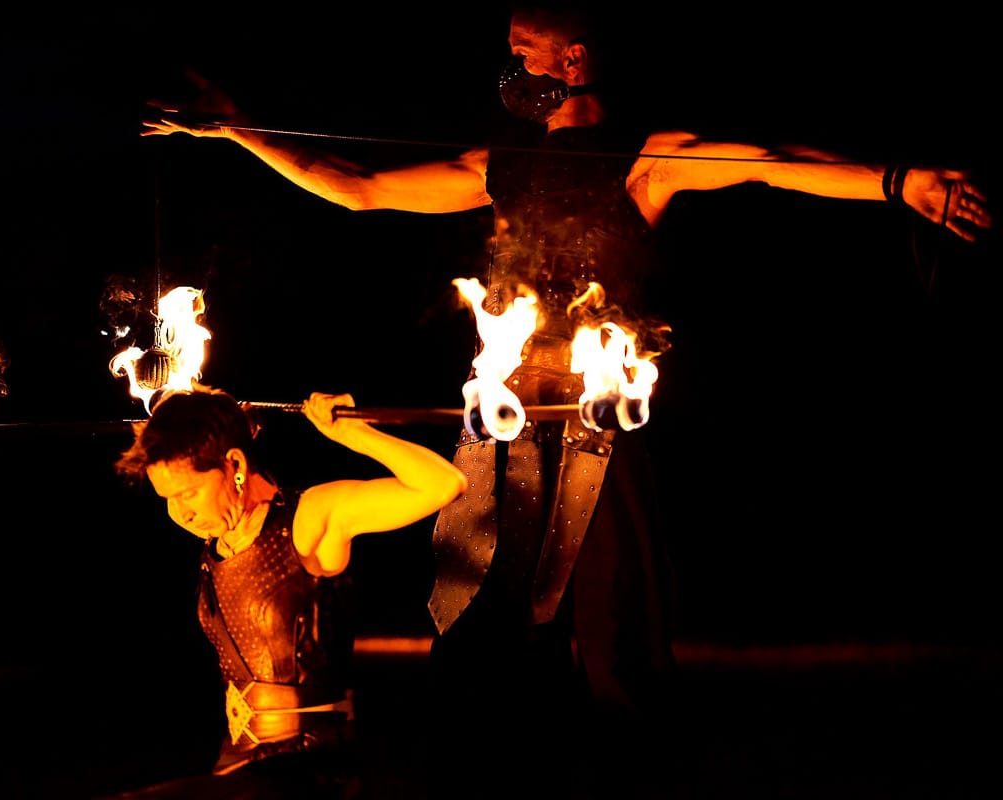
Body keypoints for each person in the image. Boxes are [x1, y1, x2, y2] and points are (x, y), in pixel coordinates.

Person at [139, 4, 993, 796]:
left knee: (615, 637)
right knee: (483, 630)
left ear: (571, 58)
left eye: (521, 50)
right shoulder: (500, 164)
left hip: (597, 428)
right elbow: (354, 183)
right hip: (503, 429)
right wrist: (234, 128)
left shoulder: (644, 157)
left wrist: (898, 181)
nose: (507, 66)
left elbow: (772, 165)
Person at [107, 386, 467, 799]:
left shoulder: (309, 521)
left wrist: (355, 435)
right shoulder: (218, 543)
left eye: (187, 493)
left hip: (308, 769)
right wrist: (183, 413)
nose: (181, 514)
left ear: (235, 465)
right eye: (167, 499)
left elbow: (443, 484)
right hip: (237, 765)